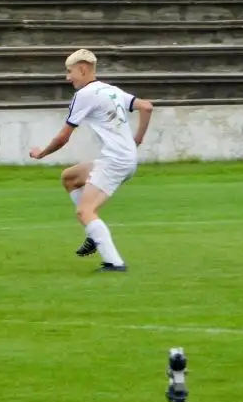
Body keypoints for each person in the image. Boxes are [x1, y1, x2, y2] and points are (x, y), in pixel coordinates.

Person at [29, 49, 153, 272]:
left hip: (115, 161)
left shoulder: (85, 94)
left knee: (84, 211)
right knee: (70, 178)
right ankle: (93, 234)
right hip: (124, 158)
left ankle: (114, 263)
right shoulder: (110, 90)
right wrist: (138, 139)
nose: (68, 77)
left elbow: (63, 137)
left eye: (70, 72)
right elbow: (146, 106)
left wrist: (42, 154)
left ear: (83, 69)